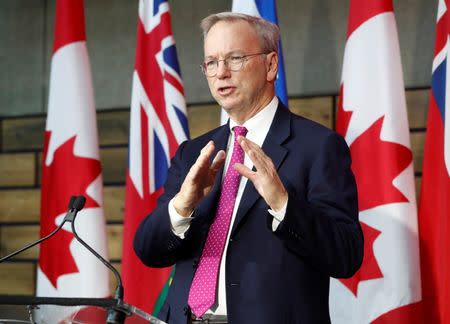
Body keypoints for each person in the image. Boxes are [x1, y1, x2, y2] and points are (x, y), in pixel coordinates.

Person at [134, 12, 363, 324]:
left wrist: (283, 203)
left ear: (270, 65)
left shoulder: (317, 147)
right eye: (211, 63)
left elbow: (346, 255)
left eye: (235, 58)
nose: (221, 73)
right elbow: (149, 250)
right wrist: (182, 207)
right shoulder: (193, 153)